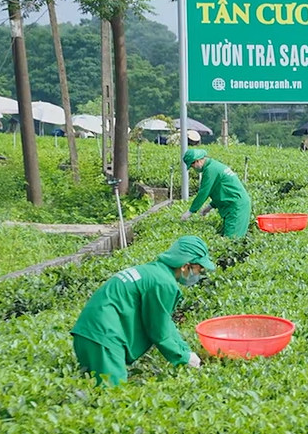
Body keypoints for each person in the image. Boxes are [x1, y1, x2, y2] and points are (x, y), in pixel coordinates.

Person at [70, 235, 214, 386]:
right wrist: (183, 358)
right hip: (104, 338)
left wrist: (185, 350)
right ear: (185, 265)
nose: (200, 273)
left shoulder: (154, 272)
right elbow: (159, 332)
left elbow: (164, 321)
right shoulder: (164, 284)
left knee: (93, 394)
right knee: (112, 398)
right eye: (200, 269)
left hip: (88, 333)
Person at [181, 147, 252, 238]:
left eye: (192, 166)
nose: (193, 168)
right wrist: (209, 207)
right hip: (234, 205)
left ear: (197, 161)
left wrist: (190, 211)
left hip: (236, 207)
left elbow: (204, 192)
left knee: (232, 240)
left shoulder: (211, 170)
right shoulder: (214, 166)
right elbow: (222, 191)